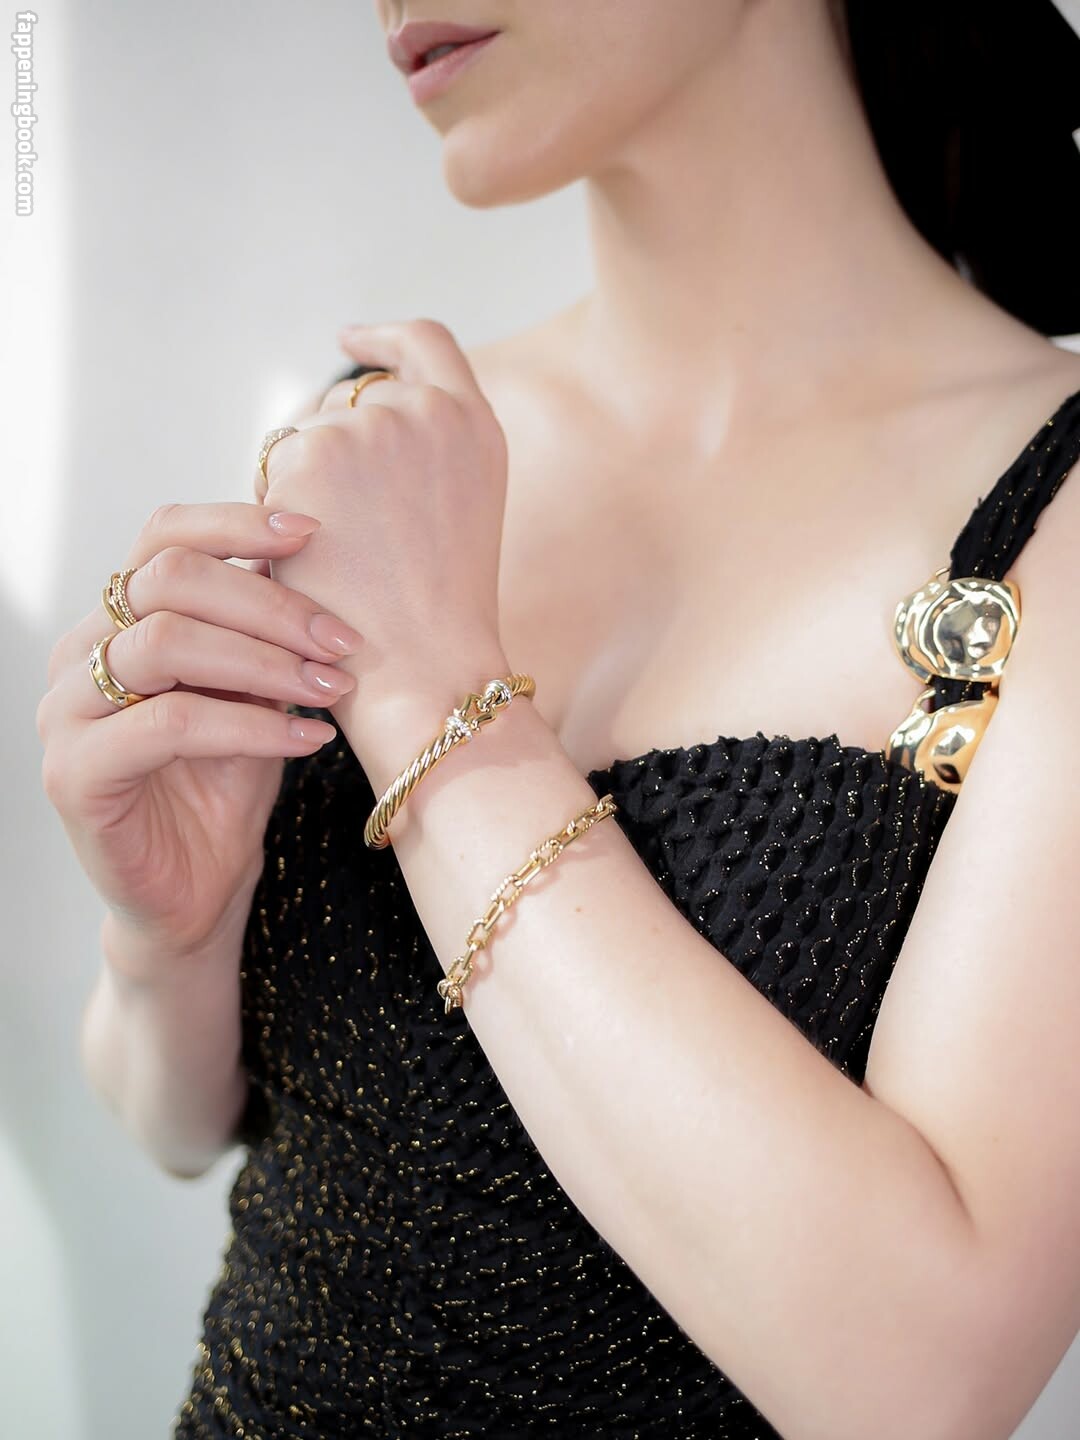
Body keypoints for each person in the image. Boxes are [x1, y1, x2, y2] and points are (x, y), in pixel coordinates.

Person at [37, 2, 1080, 1436]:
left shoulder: (1053, 518)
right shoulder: (384, 447)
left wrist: (435, 709)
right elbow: (176, 1125)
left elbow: (924, 1386)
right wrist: (167, 937)